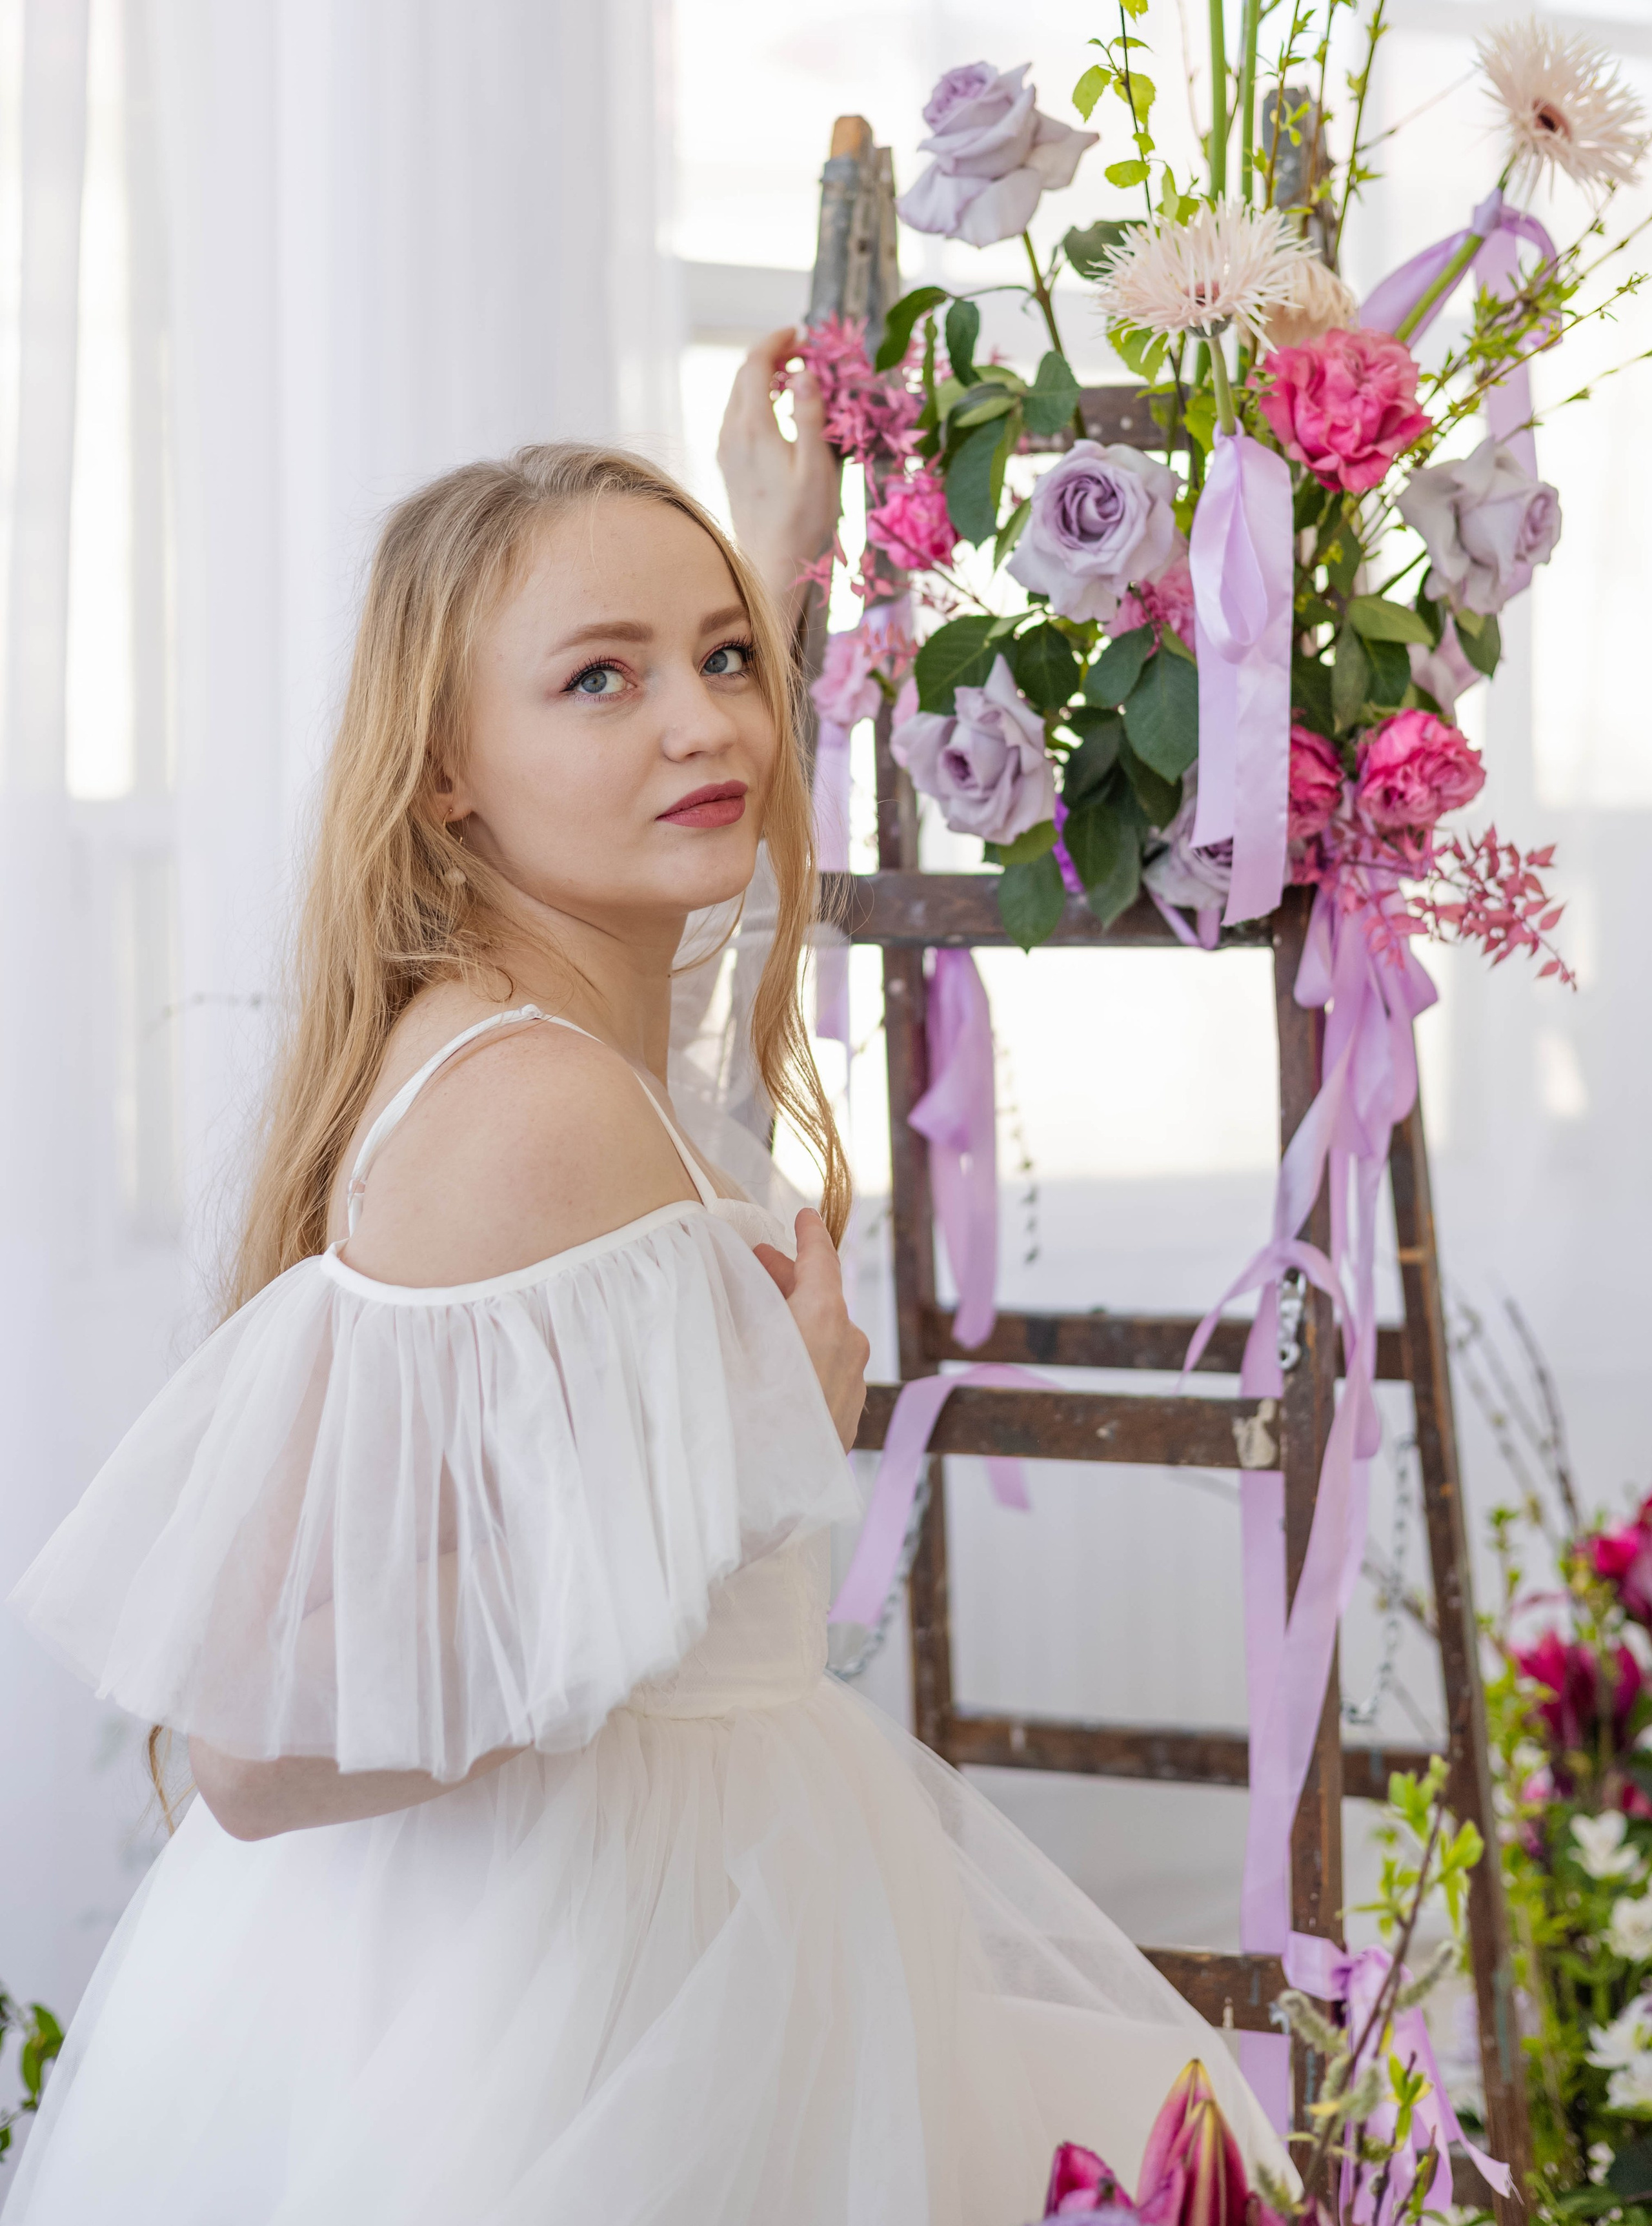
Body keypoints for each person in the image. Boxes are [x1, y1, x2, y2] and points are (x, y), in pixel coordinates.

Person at [5, 341, 1286, 2225]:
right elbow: (255, 1743)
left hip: (669, 1918)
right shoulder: (533, 1109)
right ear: (448, 777)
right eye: (602, 678)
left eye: (721, 661)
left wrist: (770, 558)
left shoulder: (570, 1036)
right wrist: (775, 1418)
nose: (703, 724)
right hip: (587, 1988)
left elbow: (706, 923)